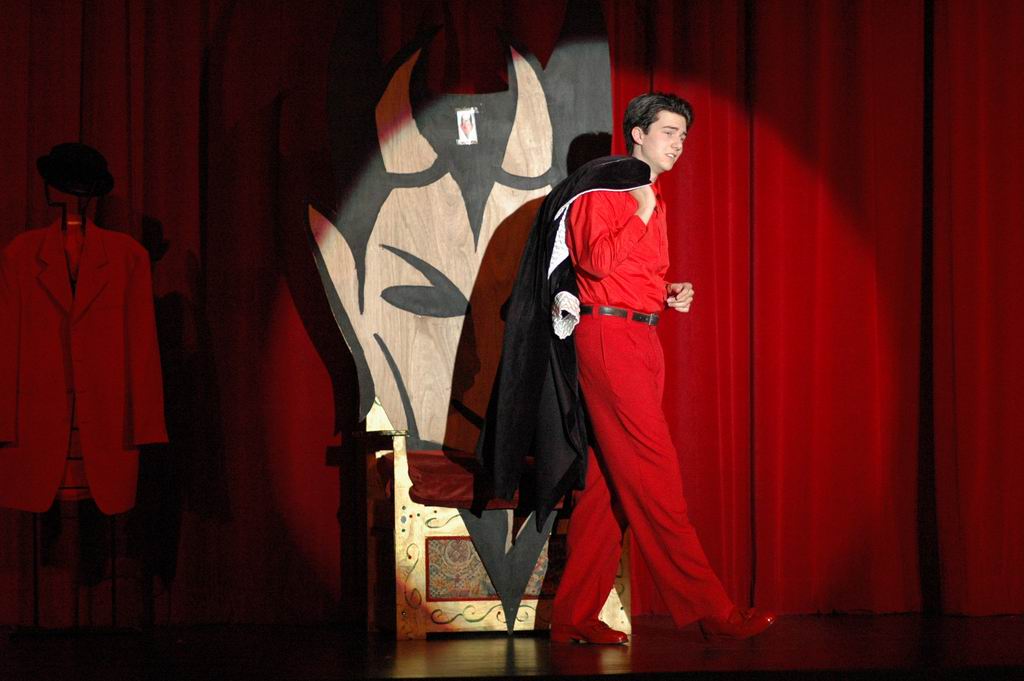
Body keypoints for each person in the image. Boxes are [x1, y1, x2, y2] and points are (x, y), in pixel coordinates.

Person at [548, 93, 775, 644]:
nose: (678, 144)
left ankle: (573, 617)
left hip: (642, 338)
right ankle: (712, 611)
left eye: (683, 136)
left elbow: (628, 272)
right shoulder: (601, 192)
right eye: (669, 132)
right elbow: (595, 262)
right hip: (608, 341)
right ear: (638, 134)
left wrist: (667, 292)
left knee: (608, 488)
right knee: (656, 478)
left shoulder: (652, 199)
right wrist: (642, 208)